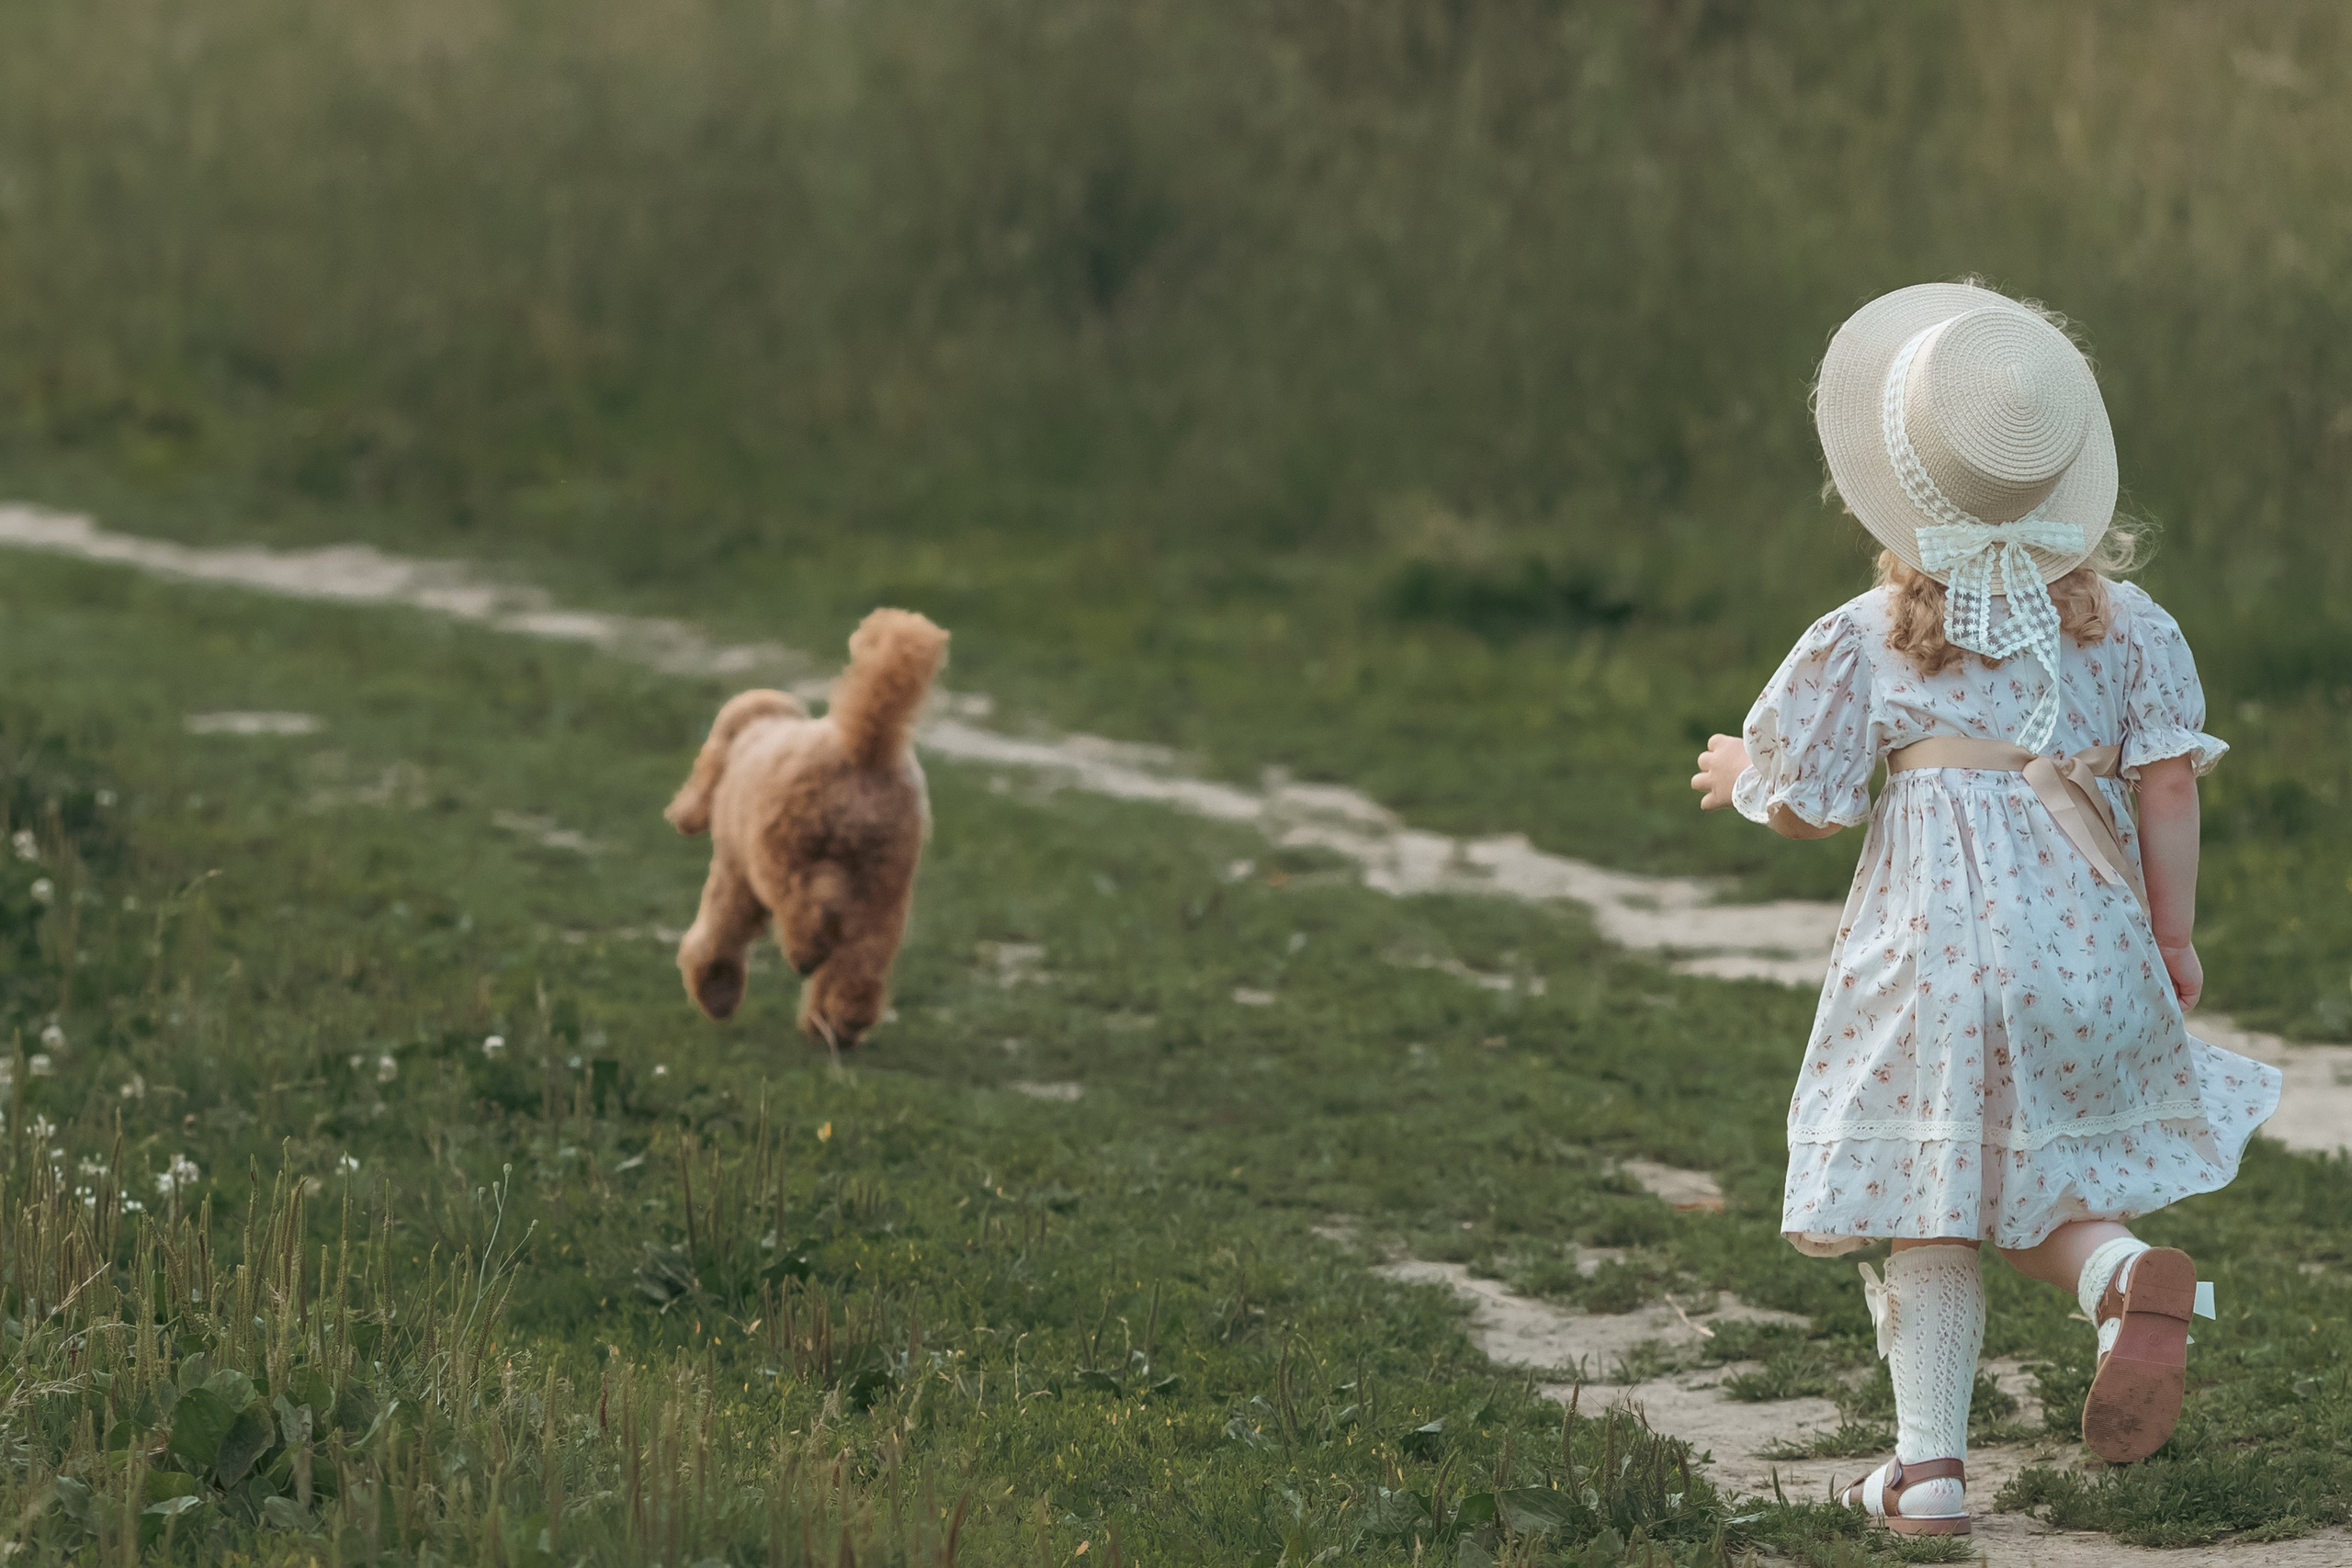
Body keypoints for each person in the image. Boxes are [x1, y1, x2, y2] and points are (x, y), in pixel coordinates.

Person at [1690, 282, 2282, 1538]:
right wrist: (2173, 937)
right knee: (2040, 1175)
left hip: (1933, 963)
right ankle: (2118, 1271)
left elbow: (1813, 805)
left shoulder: (1867, 634)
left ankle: (1930, 1471)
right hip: (2088, 949)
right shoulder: (2133, 629)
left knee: (1933, 1191)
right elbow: (2170, 783)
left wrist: (1746, 772)